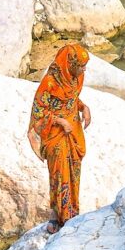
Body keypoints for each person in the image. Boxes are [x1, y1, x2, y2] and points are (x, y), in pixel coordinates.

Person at [28, 43, 91, 235]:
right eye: (80, 65)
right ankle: (57, 216)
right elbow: (38, 114)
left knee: (73, 172)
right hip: (56, 135)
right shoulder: (49, 83)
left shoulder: (75, 77)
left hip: (73, 133)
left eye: (84, 65)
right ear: (69, 63)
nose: (83, 69)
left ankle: (72, 212)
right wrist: (59, 121)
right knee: (58, 174)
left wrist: (84, 107)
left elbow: (72, 98)